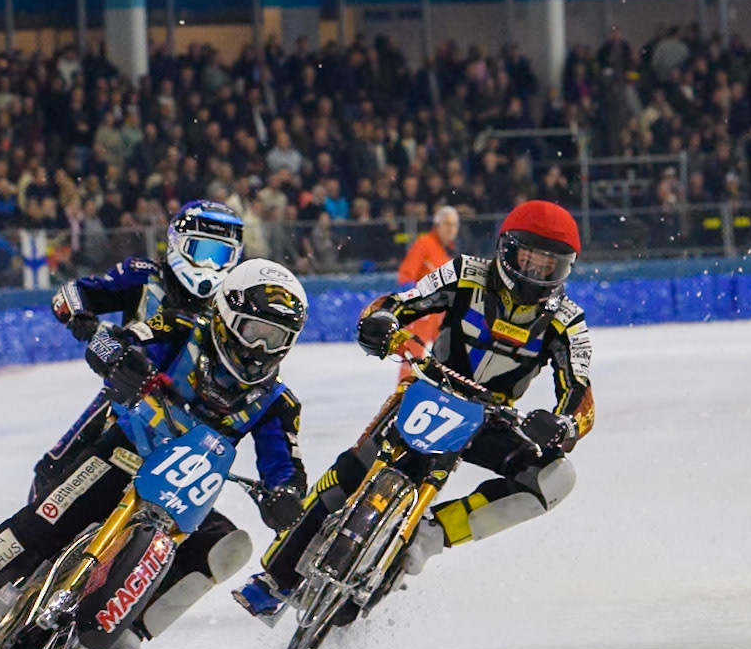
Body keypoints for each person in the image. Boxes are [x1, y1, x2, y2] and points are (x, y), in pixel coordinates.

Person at [0, 259, 311, 649]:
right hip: (123, 453)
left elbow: (285, 465)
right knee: (44, 522)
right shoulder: (180, 328)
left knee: (229, 547)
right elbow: (118, 342)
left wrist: (286, 495)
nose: (260, 349)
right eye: (254, 332)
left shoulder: (278, 402)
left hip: (181, 493)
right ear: (225, 316)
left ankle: (130, 628)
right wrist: (120, 361)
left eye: (276, 338)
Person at [233, 200, 594, 624]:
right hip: (430, 389)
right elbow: (400, 302)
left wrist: (562, 424)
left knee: (555, 477)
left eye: (550, 266)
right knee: (353, 469)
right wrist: (381, 323)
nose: (536, 272)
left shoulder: (568, 321)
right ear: (506, 250)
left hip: (493, 419)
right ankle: (275, 577)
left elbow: (580, 395)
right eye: (529, 259)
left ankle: (431, 534)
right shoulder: (465, 272)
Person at [34, 199, 244, 499]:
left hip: (182, 423)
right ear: (178, 243)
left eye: (221, 255)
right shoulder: (143, 275)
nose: (210, 265)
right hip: (122, 400)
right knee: (52, 472)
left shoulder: (229, 307)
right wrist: (80, 315)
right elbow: (73, 292)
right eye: (202, 252)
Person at [393, 204, 459, 375]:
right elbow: (406, 275)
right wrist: (414, 301)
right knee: (412, 356)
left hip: (439, 312)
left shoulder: (446, 251)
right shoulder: (424, 244)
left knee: (448, 357)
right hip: (422, 312)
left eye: (454, 225)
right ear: (437, 225)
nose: (451, 229)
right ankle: (406, 390)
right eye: (447, 224)